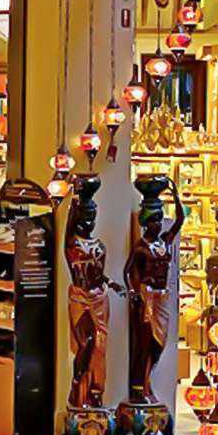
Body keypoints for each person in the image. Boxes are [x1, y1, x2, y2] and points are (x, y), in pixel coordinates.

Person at [64, 175, 125, 410]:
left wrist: (113, 284)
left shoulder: (100, 247)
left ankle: (95, 392)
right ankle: (77, 386)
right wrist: (74, 197)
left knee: (100, 348)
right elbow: (68, 229)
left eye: (92, 217)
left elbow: (98, 275)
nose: (88, 222)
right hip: (80, 298)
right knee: (86, 342)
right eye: (84, 217)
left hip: (99, 298)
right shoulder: (73, 245)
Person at [123, 176, 185, 404]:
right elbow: (127, 270)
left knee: (160, 344)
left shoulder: (165, 241)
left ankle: (147, 381)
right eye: (154, 220)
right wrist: (133, 292)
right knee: (145, 343)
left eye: (160, 219)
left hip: (162, 297)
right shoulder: (141, 247)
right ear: (146, 223)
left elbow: (180, 220)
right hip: (147, 295)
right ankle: (140, 386)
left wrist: (175, 195)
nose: (158, 224)